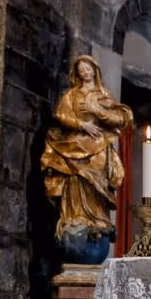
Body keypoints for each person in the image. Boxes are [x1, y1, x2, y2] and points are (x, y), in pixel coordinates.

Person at [40, 54, 134, 241]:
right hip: (73, 145)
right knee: (75, 180)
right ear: (77, 74)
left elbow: (121, 118)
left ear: (95, 70)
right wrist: (82, 125)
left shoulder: (103, 95)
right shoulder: (71, 95)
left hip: (98, 146)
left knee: (96, 184)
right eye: (81, 70)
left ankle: (98, 219)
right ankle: (75, 218)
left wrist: (96, 111)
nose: (85, 73)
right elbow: (61, 115)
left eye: (88, 69)